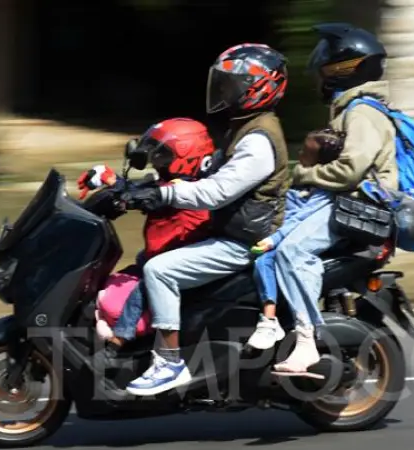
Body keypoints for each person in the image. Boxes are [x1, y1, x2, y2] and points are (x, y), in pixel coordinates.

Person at [118, 43, 291, 396]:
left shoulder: (259, 140)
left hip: (245, 242)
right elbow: (205, 170)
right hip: (230, 231)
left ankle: (168, 362)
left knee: (159, 270)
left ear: (256, 88)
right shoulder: (245, 129)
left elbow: (216, 192)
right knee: (148, 260)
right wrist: (141, 184)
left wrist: (164, 194)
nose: (224, 91)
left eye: (232, 85)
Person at [269, 23, 400, 374]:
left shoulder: (362, 113)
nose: (317, 78)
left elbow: (349, 172)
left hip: (359, 210)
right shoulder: (351, 110)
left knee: (292, 251)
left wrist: (304, 174)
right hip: (343, 205)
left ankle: (307, 342)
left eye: (322, 69)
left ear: (342, 70)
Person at [76, 118, 216, 348]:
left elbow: (152, 196)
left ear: (187, 155)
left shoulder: (189, 192)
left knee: (140, 290)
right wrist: (109, 178)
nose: (155, 160)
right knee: (110, 281)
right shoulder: (171, 183)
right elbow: (144, 189)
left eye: (162, 155)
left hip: (170, 263)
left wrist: (126, 195)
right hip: (154, 254)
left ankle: (122, 336)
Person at [246, 129, 346, 351]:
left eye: (306, 152)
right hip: (280, 231)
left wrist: (274, 238)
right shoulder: (304, 179)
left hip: (289, 236)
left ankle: (276, 321)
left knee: (269, 259)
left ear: (320, 160)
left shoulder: (322, 188)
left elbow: (300, 218)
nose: (300, 153)